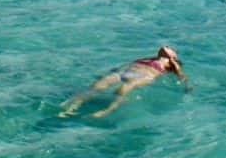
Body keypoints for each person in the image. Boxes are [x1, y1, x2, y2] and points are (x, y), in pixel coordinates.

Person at [59, 45, 188, 118]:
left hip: (143, 77)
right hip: (125, 73)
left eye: (170, 48)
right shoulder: (148, 58)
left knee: (121, 90)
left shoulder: (172, 63)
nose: (166, 46)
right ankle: (71, 107)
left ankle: (106, 111)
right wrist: (113, 71)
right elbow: (128, 64)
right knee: (97, 86)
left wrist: (182, 78)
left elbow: (182, 77)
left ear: (173, 56)